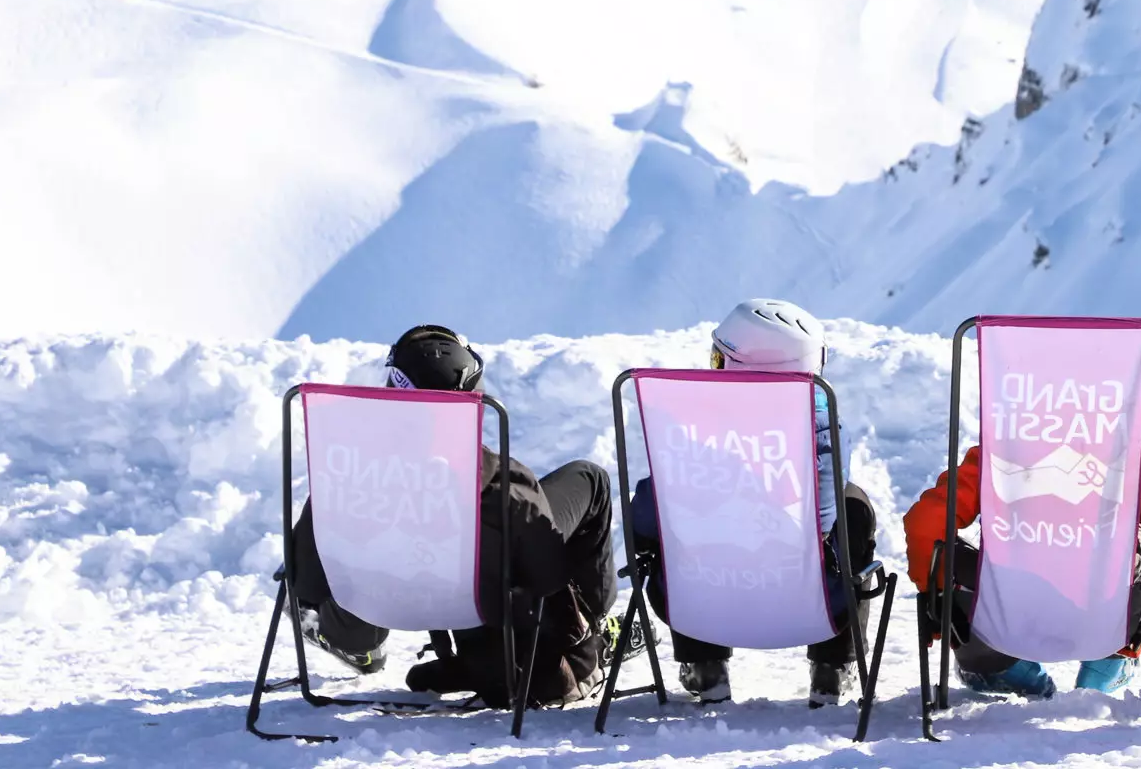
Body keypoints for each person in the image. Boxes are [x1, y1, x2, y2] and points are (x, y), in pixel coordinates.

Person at [288, 324, 619, 709]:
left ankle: (357, 642)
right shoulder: (500, 484)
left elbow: (306, 584)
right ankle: (598, 631)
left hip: (393, 599)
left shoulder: (344, 479)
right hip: (482, 602)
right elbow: (547, 576)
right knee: (589, 479)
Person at [629, 298, 879, 709]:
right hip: (806, 604)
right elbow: (822, 520)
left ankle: (704, 665)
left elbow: (645, 520)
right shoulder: (824, 426)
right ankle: (832, 669)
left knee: (680, 521)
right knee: (854, 506)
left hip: (702, 604)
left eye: (718, 358)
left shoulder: (690, 426)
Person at [903, 440, 1141, 698]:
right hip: (1107, 616)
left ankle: (999, 668)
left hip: (1004, 617)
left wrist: (938, 596)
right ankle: (1107, 665)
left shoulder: (999, 451)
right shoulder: (1126, 458)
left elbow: (925, 522)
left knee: (946, 551)